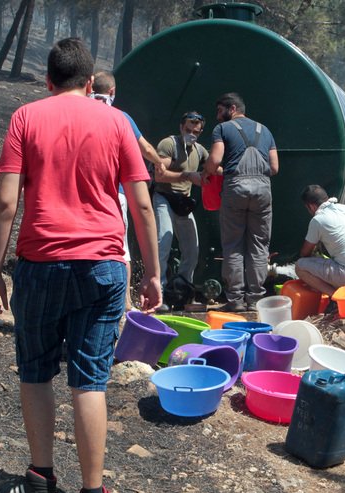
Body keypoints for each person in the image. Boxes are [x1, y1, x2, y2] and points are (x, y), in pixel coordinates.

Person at [0, 39, 161, 493]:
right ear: (90, 84)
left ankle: (39, 483)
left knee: (37, 370)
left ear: (47, 81)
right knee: (90, 378)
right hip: (104, 267)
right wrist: (152, 271)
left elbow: (4, 204)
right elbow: (142, 204)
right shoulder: (117, 122)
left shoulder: (25, 118)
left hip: (40, 264)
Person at [90, 71, 168, 309]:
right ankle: (123, 304)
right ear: (112, 91)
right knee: (120, 249)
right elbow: (144, 148)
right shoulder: (120, 117)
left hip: (80, 193)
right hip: (116, 195)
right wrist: (159, 162)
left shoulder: (76, 112)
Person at [203, 92, 278, 312]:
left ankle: (235, 300)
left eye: (220, 111)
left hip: (235, 187)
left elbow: (215, 159)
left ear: (232, 108)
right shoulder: (265, 131)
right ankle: (255, 299)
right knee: (258, 245)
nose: (218, 116)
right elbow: (274, 168)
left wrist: (209, 171)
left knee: (233, 244)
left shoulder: (222, 129)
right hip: (263, 190)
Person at [152, 111, 209, 298]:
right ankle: (158, 289)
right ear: (181, 127)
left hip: (183, 202)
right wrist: (187, 176)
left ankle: (183, 289)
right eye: (188, 129)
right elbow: (159, 174)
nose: (192, 134)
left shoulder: (199, 150)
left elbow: (214, 166)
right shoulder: (169, 144)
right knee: (164, 242)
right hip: (164, 197)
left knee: (193, 249)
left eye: (196, 131)